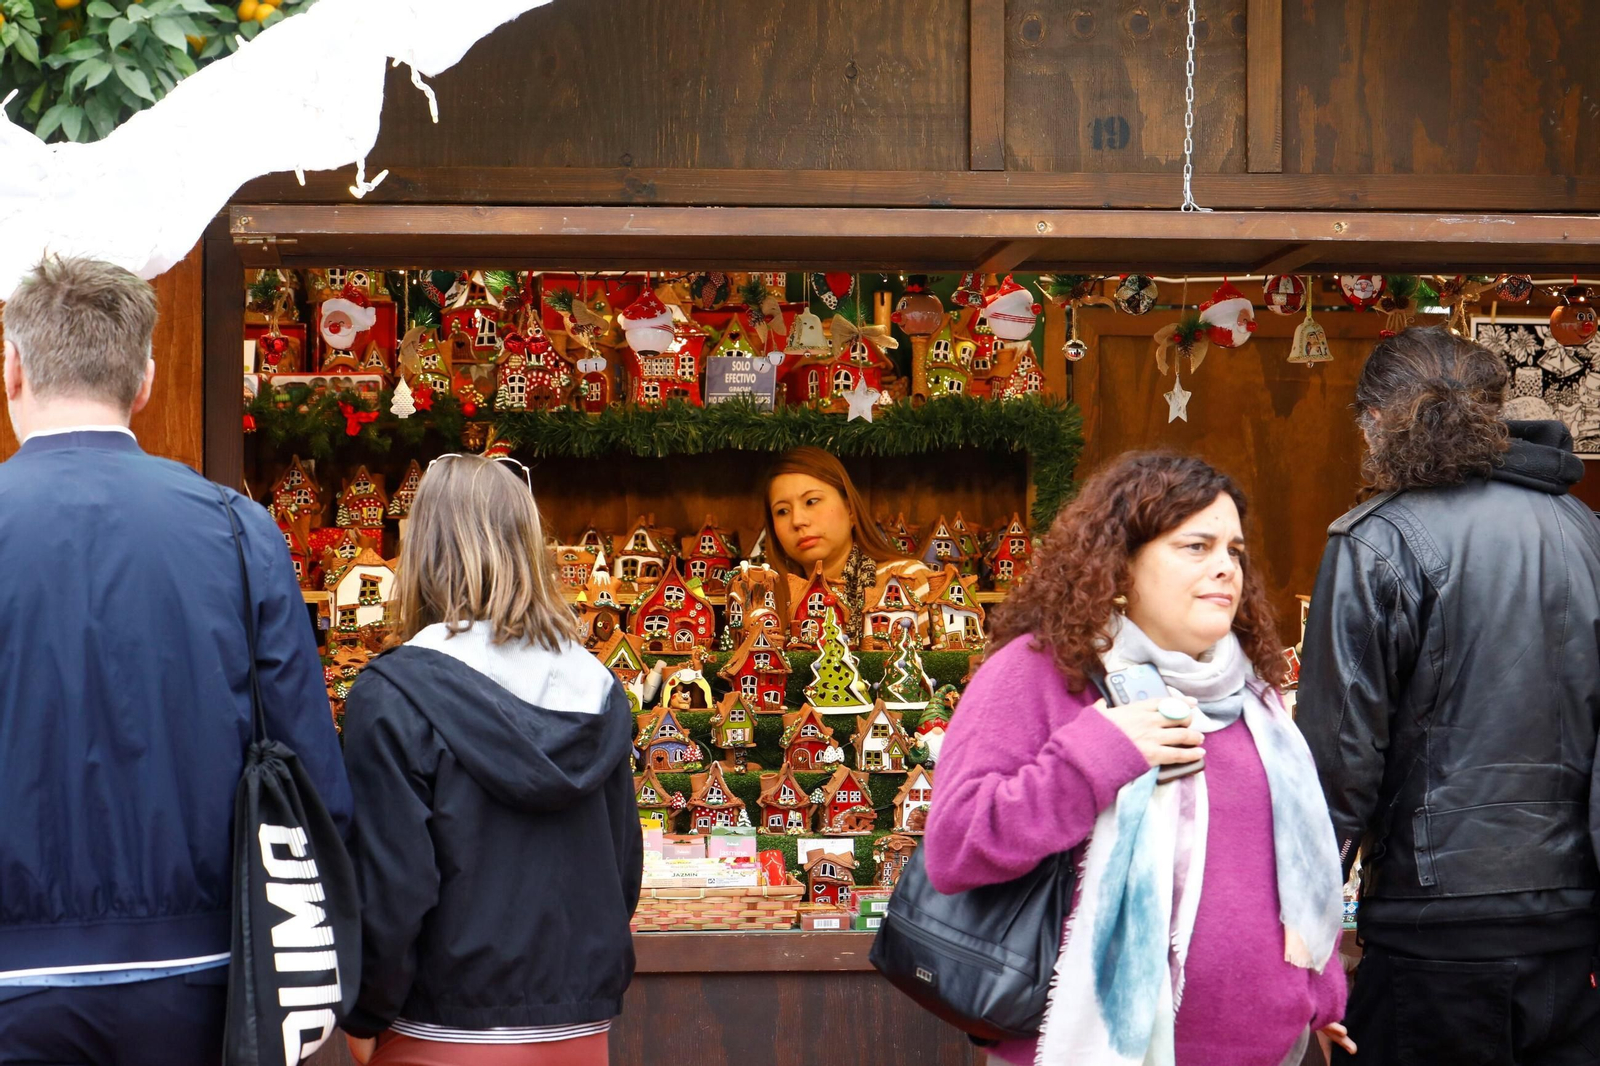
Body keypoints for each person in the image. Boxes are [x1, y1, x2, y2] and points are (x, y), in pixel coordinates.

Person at [0, 256, 352, 1063]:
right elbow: (308, 767)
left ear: (13, 367)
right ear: (146, 380)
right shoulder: (236, 532)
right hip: (198, 973)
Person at [923, 452, 1351, 1066]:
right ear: (1121, 565)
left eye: (1234, 550)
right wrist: (1098, 755)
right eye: (1196, 547)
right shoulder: (1038, 673)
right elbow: (956, 845)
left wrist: (1320, 998)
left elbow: (1291, 873)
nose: (1226, 568)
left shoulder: (1256, 700)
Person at [1297, 326, 1600, 1065]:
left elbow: (1338, 761)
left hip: (1437, 923)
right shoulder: (1584, 530)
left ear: (1374, 420)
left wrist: (1300, 929)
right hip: (1570, 918)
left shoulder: (1375, 540)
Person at [340, 453, 641, 1066]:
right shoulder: (597, 690)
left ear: (422, 550)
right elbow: (623, 869)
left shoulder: (394, 696)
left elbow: (393, 886)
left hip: (437, 1029)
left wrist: (365, 1012)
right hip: (578, 1031)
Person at [762, 445, 930, 644]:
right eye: (782, 511)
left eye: (811, 501)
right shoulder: (769, 603)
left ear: (850, 508)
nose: (798, 521)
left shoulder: (907, 578)